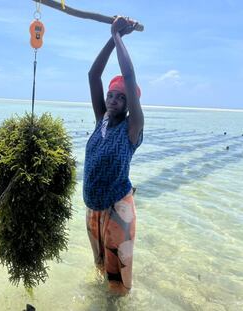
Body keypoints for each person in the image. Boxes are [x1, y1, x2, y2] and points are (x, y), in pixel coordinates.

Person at [83, 16, 144, 295]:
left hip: (118, 210)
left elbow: (129, 78)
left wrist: (119, 37)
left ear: (130, 103)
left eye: (121, 97)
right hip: (94, 208)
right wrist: (112, 35)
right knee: (100, 268)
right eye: (111, 95)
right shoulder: (102, 120)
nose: (113, 100)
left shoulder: (132, 128)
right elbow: (92, 76)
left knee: (118, 279)